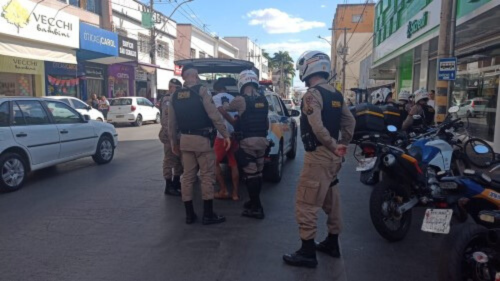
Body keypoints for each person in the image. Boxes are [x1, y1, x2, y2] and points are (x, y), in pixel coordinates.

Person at [282, 50, 355, 268]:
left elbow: (317, 127)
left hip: (320, 156)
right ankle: (332, 242)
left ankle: (307, 252)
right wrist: (342, 144)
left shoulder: (312, 94)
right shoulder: (336, 93)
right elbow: (349, 123)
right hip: (333, 159)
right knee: (331, 200)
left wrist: (334, 146)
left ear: (308, 68)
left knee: (306, 202)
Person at [168, 65, 231, 225]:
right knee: (207, 177)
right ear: (195, 76)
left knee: (187, 177)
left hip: (185, 141)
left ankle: (190, 215)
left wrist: (173, 142)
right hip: (203, 141)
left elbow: (171, 123)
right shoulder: (202, 91)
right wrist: (225, 134)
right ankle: (208, 215)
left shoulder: (175, 95)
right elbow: (214, 114)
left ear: (184, 78)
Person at [221, 70, 269, 219]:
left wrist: (224, 100)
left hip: (248, 141)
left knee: (250, 175)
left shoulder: (240, 99)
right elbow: (266, 121)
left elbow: (226, 108)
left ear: (242, 82)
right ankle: (253, 202)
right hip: (263, 141)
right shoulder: (264, 99)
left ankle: (257, 207)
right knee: (258, 173)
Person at [212, 78, 240, 201]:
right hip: (234, 135)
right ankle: (235, 193)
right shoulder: (233, 98)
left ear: (216, 89)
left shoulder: (216, 98)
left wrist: (229, 122)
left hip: (222, 136)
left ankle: (223, 190)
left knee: (213, 163)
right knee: (233, 163)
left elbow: (220, 111)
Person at [159, 78, 183, 196]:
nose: (179, 90)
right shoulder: (168, 99)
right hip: (170, 134)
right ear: (170, 87)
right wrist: (171, 136)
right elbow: (167, 121)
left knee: (178, 159)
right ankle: (168, 186)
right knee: (169, 159)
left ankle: (176, 182)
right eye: (176, 88)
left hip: (178, 134)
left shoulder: (175, 98)